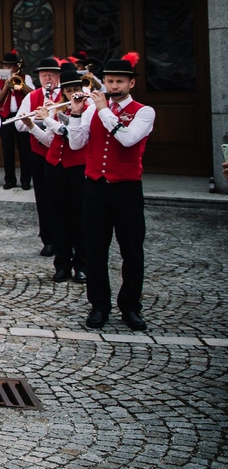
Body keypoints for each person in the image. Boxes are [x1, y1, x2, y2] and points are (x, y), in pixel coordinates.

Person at [67, 52, 155, 332]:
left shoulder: (144, 111)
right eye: (109, 81)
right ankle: (99, 306)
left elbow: (128, 139)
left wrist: (103, 109)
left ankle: (130, 306)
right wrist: (77, 114)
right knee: (95, 250)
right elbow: (76, 144)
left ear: (131, 84)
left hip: (127, 189)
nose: (114, 86)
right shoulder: (93, 109)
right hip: (95, 188)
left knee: (131, 251)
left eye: (119, 82)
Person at [38, 69, 89, 284]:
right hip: (54, 167)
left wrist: (48, 120)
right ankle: (61, 264)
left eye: (76, 89)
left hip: (78, 168)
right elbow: (50, 140)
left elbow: (71, 136)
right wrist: (33, 125)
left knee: (80, 217)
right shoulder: (57, 108)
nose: (73, 94)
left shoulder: (90, 110)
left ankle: (82, 264)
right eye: (68, 90)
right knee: (58, 217)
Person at [16, 57, 63, 256]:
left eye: (51, 75)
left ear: (58, 76)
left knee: (62, 198)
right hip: (39, 153)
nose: (48, 79)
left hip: (62, 155)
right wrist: (35, 118)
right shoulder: (32, 96)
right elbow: (18, 124)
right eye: (44, 76)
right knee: (43, 198)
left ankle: (66, 239)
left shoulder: (67, 94)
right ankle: (49, 239)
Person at [0, 50, 34, 190]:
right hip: (6, 115)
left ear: (16, 67)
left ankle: (26, 180)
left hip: (22, 115)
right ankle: (9, 179)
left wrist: (20, 85)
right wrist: (5, 87)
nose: (8, 69)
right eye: (6, 66)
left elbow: (33, 95)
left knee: (25, 149)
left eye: (11, 66)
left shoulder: (25, 77)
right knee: (7, 149)